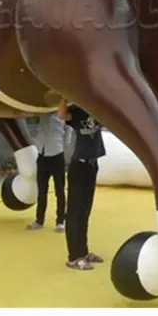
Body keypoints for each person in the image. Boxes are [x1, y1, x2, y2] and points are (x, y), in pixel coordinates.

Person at [58, 99, 106, 271]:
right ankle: (74, 257)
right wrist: (63, 98)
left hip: (92, 164)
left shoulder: (99, 110)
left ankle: (83, 252)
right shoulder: (77, 110)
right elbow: (61, 115)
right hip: (78, 165)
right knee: (74, 212)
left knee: (85, 210)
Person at [26, 112, 70, 232]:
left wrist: (63, 146)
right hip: (42, 152)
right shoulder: (43, 111)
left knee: (59, 190)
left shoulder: (63, 112)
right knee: (41, 190)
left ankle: (60, 221)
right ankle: (39, 220)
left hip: (57, 153)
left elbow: (68, 129)